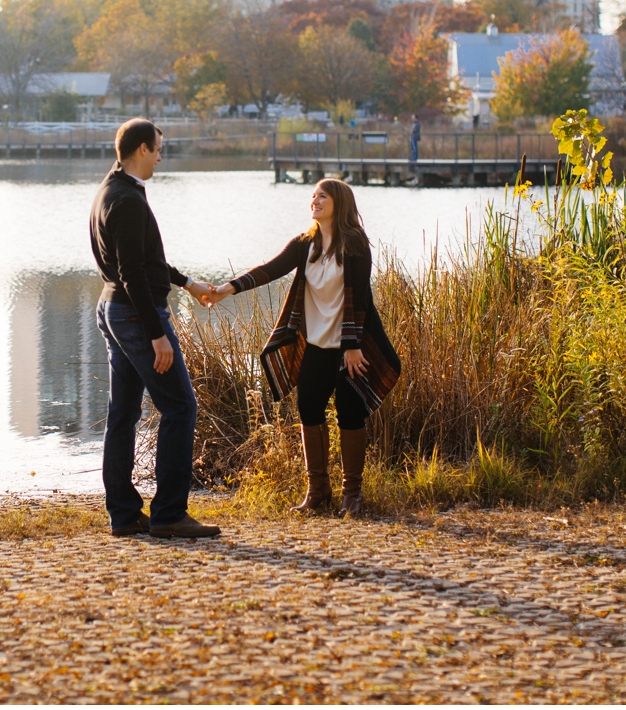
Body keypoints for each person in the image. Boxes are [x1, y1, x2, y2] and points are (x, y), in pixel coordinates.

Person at [200, 178, 402, 515]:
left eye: (322, 195)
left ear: (340, 202)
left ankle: (352, 493)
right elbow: (269, 269)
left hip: (350, 345)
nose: (315, 200)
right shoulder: (305, 243)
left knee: (350, 414)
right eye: (313, 196)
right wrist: (226, 289)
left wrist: (352, 347)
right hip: (317, 344)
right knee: (309, 409)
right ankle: (318, 490)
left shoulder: (354, 244)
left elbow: (360, 300)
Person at [90, 118, 222, 539]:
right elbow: (132, 272)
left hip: (114, 309)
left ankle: (125, 515)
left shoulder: (111, 191)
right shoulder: (127, 200)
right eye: (159, 149)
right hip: (133, 315)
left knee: (123, 414)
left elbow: (145, 261)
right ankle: (168, 514)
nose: (161, 157)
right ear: (142, 149)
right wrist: (156, 333)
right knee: (181, 406)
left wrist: (187, 283)